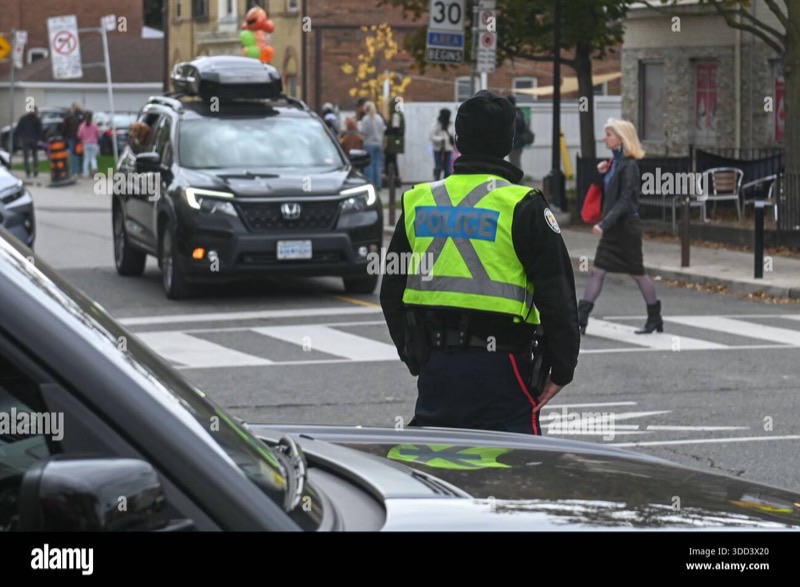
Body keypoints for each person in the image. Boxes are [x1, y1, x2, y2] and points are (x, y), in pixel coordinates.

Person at [380, 90, 580, 435]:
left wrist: (415, 355)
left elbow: (391, 290)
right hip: (504, 366)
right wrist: (561, 369)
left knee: (435, 466)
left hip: (437, 367)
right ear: (509, 141)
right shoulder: (525, 205)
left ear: (458, 139)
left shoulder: (419, 200)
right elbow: (557, 294)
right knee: (510, 470)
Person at [577, 118, 663, 335]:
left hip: (626, 228)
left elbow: (625, 201)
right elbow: (606, 193)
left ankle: (655, 317)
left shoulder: (630, 166)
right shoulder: (613, 163)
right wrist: (601, 173)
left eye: (609, 134)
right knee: (597, 271)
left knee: (637, 273)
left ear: (621, 139)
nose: (605, 138)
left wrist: (604, 224)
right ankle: (581, 318)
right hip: (613, 227)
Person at [358, 100, 386, 191]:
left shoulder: (366, 119)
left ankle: (370, 185)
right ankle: (378, 185)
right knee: (378, 165)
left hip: (368, 144)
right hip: (378, 144)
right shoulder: (379, 118)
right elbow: (383, 130)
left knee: (369, 166)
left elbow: (363, 131)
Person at [383, 96, 405, 187]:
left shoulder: (395, 115)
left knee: (390, 160)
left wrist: (385, 131)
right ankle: (395, 179)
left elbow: (394, 129)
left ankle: (393, 180)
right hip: (396, 141)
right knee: (393, 160)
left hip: (393, 142)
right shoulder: (399, 114)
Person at [16, 107, 44, 178]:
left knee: (27, 156)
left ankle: (29, 170)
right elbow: (40, 130)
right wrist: (39, 138)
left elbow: (18, 129)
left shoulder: (24, 118)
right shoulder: (36, 119)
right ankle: (34, 170)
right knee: (34, 156)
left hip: (27, 139)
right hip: (33, 140)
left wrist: (22, 137)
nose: (37, 113)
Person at [429, 108, 454, 180]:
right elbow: (432, 136)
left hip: (448, 149)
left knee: (447, 168)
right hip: (438, 149)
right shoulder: (436, 124)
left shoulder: (450, 124)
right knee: (438, 167)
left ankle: (446, 182)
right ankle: (436, 182)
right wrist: (441, 139)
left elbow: (452, 134)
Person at [60, 103, 84, 177]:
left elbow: (64, 128)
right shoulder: (83, 116)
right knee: (81, 154)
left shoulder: (68, 117)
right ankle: (82, 170)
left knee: (74, 153)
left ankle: (74, 171)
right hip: (81, 138)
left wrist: (64, 136)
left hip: (71, 137)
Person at [77, 111, 101, 178]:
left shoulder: (82, 126)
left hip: (85, 144)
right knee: (93, 158)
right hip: (93, 143)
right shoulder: (94, 125)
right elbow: (99, 134)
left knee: (86, 159)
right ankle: (94, 169)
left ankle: (86, 173)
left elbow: (79, 135)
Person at [507, 95, 528, 171]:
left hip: (515, 143)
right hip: (518, 142)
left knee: (515, 164)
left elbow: (513, 130)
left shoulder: (513, 114)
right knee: (516, 163)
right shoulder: (519, 112)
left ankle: (519, 181)